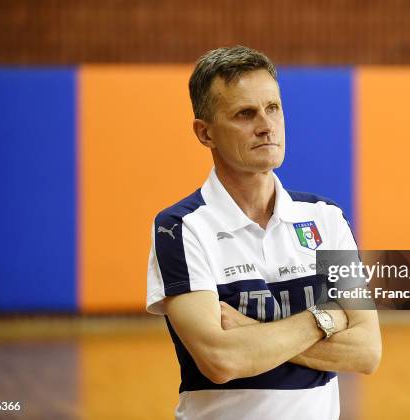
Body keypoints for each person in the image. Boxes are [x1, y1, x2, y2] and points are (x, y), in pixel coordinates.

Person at [146, 45, 381, 420]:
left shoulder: (326, 218)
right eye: (245, 113)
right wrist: (327, 318)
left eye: (273, 108)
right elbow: (221, 360)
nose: (266, 125)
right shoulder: (181, 228)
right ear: (205, 134)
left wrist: (252, 332)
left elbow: (367, 351)